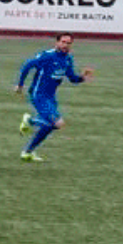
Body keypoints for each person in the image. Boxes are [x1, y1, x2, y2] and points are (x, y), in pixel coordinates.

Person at [14, 33, 94, 162]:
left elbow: (72, 78)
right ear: (57, 42)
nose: (65, 45)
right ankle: (30, 121)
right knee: (58, 123)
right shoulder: (47, 56)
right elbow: (27, 65)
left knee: (50, 126)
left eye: (68, 43)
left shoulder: (67, 59)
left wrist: (83, 77)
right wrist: (20, 84)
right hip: (38, 95)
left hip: (50, 97)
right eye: (63, 42)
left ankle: (27, 152)